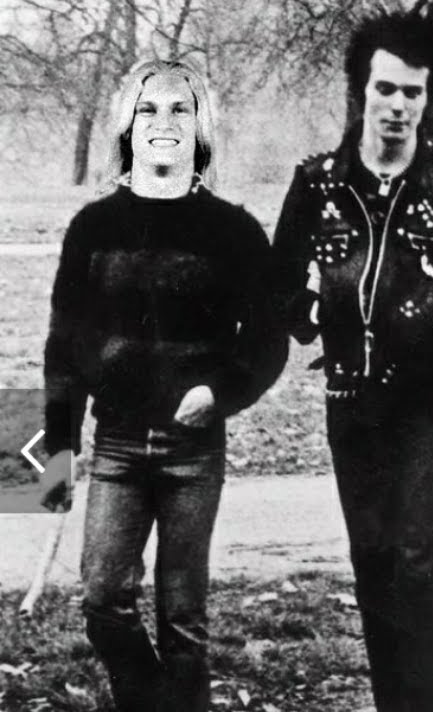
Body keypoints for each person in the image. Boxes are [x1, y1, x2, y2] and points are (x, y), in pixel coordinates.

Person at [271, 10, 433, 712]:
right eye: (386, 89)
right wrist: (308, 311)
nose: (398, 106)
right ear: (362, 91)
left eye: (413, 92)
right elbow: (277, 286)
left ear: (429, 98)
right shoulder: (318, 183)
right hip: (351, 399)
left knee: (416, 565)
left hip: (426, 403)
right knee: (374, 566)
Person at [39, 59, 288, 711]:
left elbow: (268, 340)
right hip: (116, 446)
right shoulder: (92, 227)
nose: (164, 123)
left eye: (181, 109)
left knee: (183, 618)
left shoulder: (233, 230)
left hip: (193, 452)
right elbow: (64, 349)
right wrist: (55, 460)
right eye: (149, 109)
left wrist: (220, 394)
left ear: (201, 126)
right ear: (128, 125)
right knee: (102, 599)